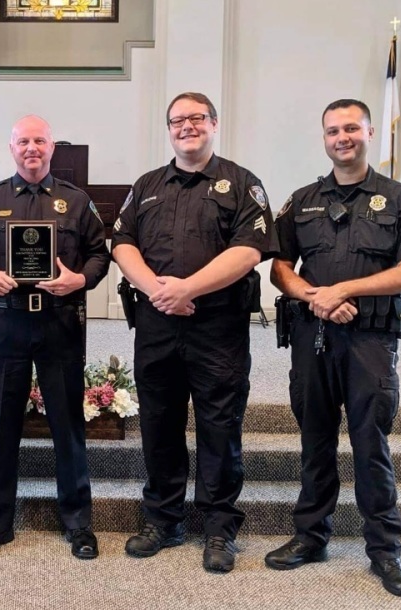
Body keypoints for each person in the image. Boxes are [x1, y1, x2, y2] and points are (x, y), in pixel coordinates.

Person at [265, 99, 401, 597]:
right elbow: (279, 267)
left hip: (369, 341)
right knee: (315, 439)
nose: (342, 137)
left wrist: (347, 291)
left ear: (368, 133)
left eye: (351, 129)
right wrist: (317, 298)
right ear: (323, 138)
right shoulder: (301, 200)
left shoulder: (399, 198)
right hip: (313, 336)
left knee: (370, 444)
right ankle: (310, 537)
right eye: (332, 130)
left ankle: (385, 551)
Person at [112, 92, 277, 572]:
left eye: (196, 118)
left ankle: (220, 528)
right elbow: (122, 241)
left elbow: (249, 250)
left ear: (214, 123)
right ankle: (163, 520)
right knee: (158, 424)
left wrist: (188, 288)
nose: (187, 126)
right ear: (169, 129)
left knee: (219, 427)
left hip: (217, 326)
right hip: (156, 325)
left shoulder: (242, 183)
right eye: (178, 120)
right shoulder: (147, 185)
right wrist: (157, 291)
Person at [0, 115, 110, 559]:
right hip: (7, 324)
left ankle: (79, 525)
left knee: (67, 426)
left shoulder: (77, 202)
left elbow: (101, 254)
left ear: (52, 147)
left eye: (39, 140)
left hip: (60, 323)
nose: (31, 148)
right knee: (1, 426)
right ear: (12, 147)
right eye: (23, 141)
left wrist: (80, 280)